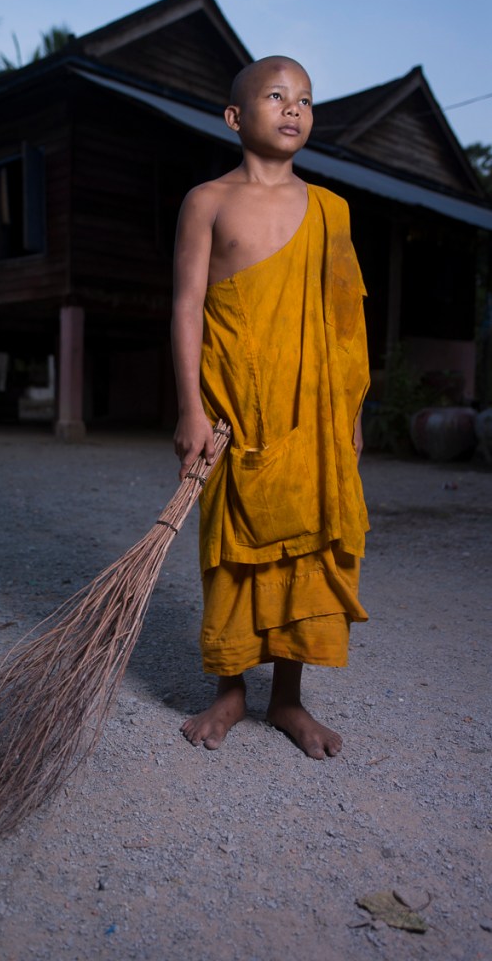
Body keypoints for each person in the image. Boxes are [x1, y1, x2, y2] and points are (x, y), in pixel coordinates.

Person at [171, 56, 369, 760]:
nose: (293, 109)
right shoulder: (207, 201)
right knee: (229, 548)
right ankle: (229, 689)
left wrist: (347, 409)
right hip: (236, 408)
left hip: (312, 414)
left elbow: (345, 321)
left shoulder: (330, 210)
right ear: (234, 117)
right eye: (276, 96)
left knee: (309, 547)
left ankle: (286, 698)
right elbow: (186, 307)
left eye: (306, 101)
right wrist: (189, 409)